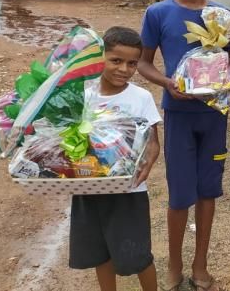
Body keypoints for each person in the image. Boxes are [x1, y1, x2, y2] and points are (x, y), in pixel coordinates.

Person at [138, 0, 230, 291]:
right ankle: (175, 265)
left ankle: (200, 264)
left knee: (208, 191)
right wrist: (167, 82)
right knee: (180, 194)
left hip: (214, 116)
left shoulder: (222, 16)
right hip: (179, 115)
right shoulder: (159, 14)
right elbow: (141, 61)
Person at [69, 26, 162, 291]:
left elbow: (153, 141)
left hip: (129, 191)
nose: (124, 69)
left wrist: (148, 162)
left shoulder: (140, 98)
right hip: (89, 188)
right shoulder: (83, 97)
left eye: (132, 63)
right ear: (101, 57)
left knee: (139, 255)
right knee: (101, 252)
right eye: (116, 60)